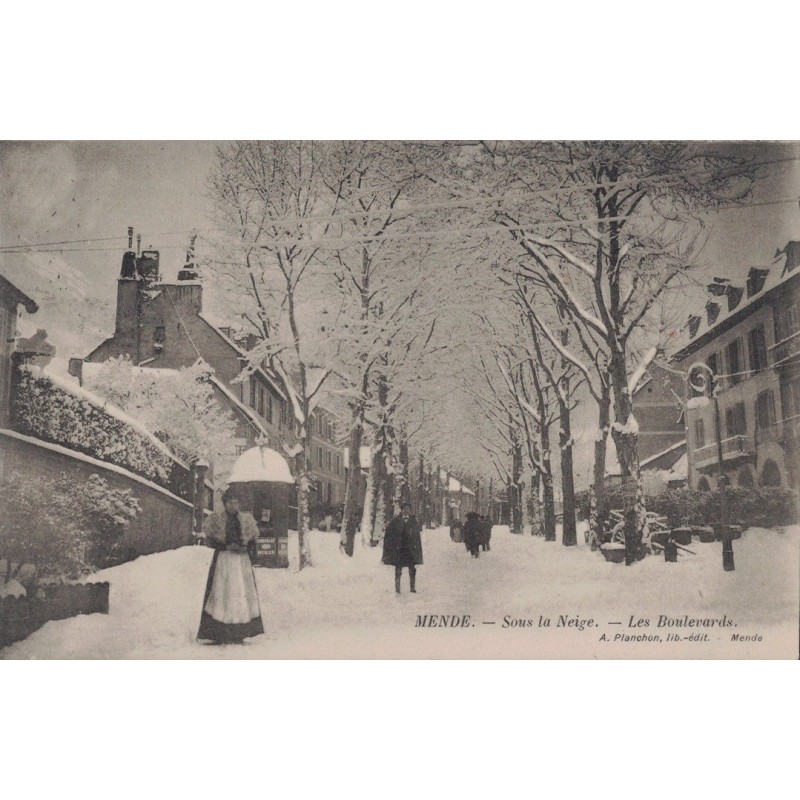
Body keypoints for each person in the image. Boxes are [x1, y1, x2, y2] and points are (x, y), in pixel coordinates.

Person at [197, 489, 265, 644]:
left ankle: (240, 631)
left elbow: (253, 542)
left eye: (236, 502)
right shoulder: (217, 520)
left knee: (241, 592)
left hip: (241, 563)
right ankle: (219, 632)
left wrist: (245, 548)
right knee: (222, 593)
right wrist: (226, 547)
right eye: (230, 502)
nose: (234, 506)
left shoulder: (247, 520)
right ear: (225, 504)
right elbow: (211, 541)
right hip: (224, 560)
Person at [382, 501, 423, 594]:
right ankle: (397, 588)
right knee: (398, 569)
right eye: (404, 509)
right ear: (401, 510)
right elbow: (389, 534)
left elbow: (417, 537)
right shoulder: (395, 521)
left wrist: (417, 551)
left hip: (410, 550)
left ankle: (412, 588)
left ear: (410, 511)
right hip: (399, 550)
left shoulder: (413, 522)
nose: (406, 511)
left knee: (412, 569)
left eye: (408, 509)